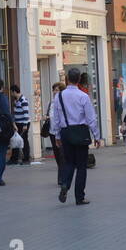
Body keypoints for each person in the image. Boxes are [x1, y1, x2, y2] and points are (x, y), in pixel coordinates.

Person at [48, 68, 100, 205]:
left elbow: (57, 119)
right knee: (81, 166)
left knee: (69, 162)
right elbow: (91, 118)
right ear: (78, 80)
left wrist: (57, 135)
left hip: (66, 132)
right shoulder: (83, 96)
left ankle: (65, 184)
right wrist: (97, 136)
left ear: (67, 79)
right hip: (81, 132)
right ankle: (79, 197)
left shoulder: (59, 97)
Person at [45, 82, 65, 174]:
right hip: (52, 132)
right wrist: (47, 117)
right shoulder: (51, 103)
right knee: (57, 155)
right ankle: (62, 173)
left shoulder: (64, 102)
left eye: (57, 90)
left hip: (62, 132)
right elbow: (49, 114)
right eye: (54, 90)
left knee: (62, 155)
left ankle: (62, 177)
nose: (54, 92)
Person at [9, 86, 31, 165]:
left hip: (23, 123)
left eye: (11, 92)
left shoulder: (23, 100)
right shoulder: (16, 100)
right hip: (18, 123)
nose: (11, 94)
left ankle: (26, 158)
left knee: (24, 140)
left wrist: (25, 125)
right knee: (16, 140)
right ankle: (14, 158)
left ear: (14, 91)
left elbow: (26, 113)